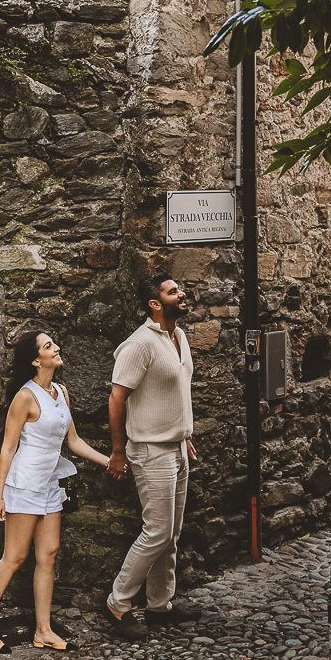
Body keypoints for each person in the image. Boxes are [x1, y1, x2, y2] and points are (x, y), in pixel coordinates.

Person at [0, 330, 110, 655]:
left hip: (49, 484)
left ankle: (43, 630)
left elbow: (72, 441)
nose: (57, 348)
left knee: (48, 555)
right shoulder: (25, 397)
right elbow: (7, 447)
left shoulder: (61, 392)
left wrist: (109, 461)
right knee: (15, 556)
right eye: (49, 346)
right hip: (24, 484)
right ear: (36, 360)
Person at [102, 271, 202, 640]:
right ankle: (118, 602)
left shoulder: (178, 336)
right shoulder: (139, 344)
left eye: (180, 287)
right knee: (157, 531)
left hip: (176, 446)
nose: (183, 293)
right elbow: (116, 399)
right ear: (155, 304)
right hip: (148, 450)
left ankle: (160, 606)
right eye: (174, 291)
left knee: (171, 534)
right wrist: (117, 451)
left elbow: (177, 392)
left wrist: (184, 435)